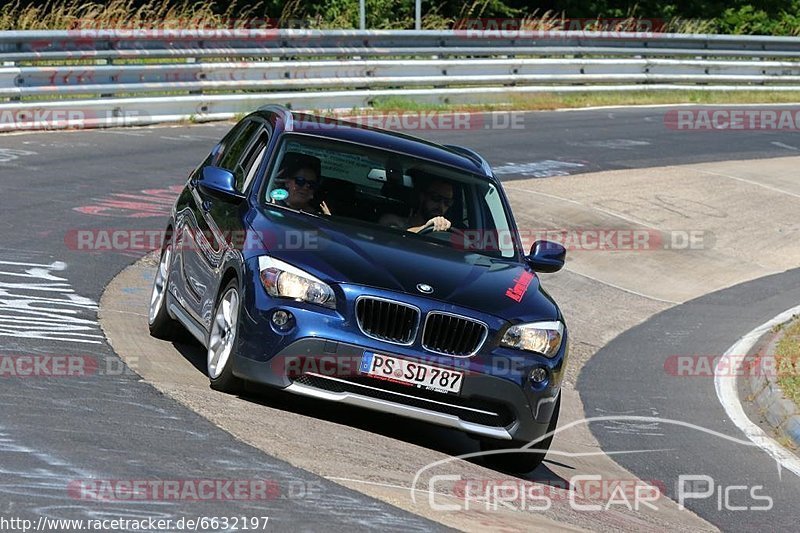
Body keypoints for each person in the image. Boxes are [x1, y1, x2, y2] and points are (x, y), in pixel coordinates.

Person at [381, 176, 454, 233]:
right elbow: (391, 237)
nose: (441, 206)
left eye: (447, 202)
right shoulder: (393, 221)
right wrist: (425, 228)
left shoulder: (448, 234)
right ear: (422, 197)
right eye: (436, 198)